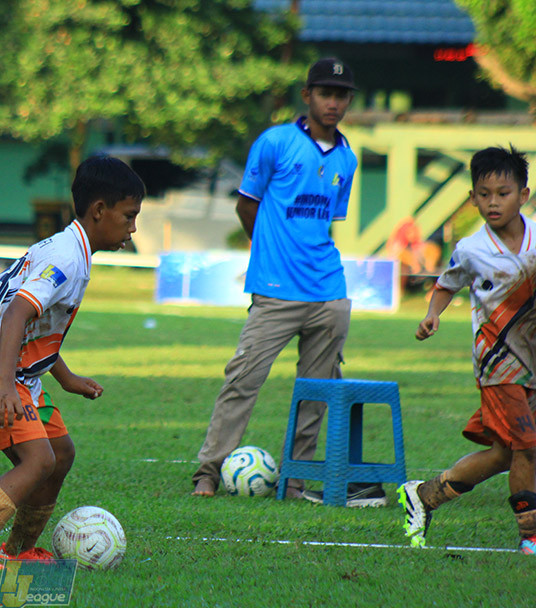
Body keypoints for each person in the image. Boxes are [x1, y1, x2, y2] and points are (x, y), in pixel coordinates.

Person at [189, 58, 384, 507]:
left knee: (318, 392)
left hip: (330, 292)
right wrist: (270, 249)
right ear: (307, 96)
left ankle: (294, 478)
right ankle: (208, 473)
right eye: (325, 93)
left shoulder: (347, 158)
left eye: (341, 95)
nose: (333, 103)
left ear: (348, 101)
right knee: (242, 380)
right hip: (275, 292)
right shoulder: (275, 142)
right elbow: (247, 204)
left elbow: (325, 223)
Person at [0, 156, 144, 570]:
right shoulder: (67, 257)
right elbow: (16, 314)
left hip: (8, 369)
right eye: (129, 216)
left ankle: (18, 552)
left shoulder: (71, 249)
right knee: (39, 460)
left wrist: (64, 377)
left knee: (60, 453)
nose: (133, 228)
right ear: (99, 210)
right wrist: (4, 386)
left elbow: (37, 328)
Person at [400, 145, 536, 554]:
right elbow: (446, 283)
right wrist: (432, 314)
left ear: (523, 195)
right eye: (484, 193)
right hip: (498, 364)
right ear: (473, 197)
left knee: (504, 455)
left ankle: (425, 496)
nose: (493, 202)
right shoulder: (471, 249)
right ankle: (530, 536)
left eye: (503, 192)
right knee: (528, 445)